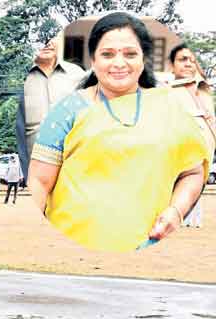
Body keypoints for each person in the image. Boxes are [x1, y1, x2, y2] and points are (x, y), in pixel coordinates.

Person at [28, 12, 209, 252]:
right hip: (72, 245)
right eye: (108, 54)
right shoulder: (69, 110)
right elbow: (39, 182)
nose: (119, 63)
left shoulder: (169, 107)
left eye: (130, 54)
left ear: (144, 59)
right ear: (93, 60)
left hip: (146, 246)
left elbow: (193, 173)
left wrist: (176, 211)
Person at [17, 35, 86, 180]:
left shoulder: (77, 74)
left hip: (74, 164)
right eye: (42, 41)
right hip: (37, 169)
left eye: (51, 40)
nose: (47, 44)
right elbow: (21, 132)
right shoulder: (25, 79)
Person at [168, 43, 216, 229]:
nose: (188, 64)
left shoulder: (204, 93)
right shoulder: (167, 93)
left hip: (204, 155)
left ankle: (191, 220)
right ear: (171, 66)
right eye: (182, 60)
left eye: (193, 61)